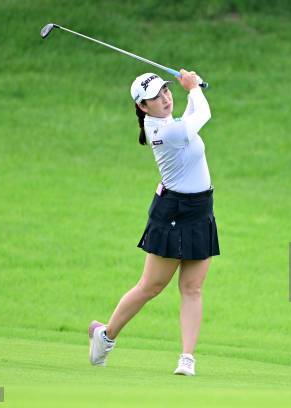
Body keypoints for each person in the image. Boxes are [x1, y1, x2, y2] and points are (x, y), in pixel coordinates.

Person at [88, 69, 219, 376]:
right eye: (155, 98)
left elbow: (189, 118)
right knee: (151, 286)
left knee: (193, 287)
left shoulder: (168, 124)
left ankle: (187, 357)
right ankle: (105, 337)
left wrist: (190, 91)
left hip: (200, 210)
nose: (164, 98)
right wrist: (194, 87)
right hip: (173, 212)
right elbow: (203, 114)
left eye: (165, 91)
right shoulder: (164, 131)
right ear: (143, 108)